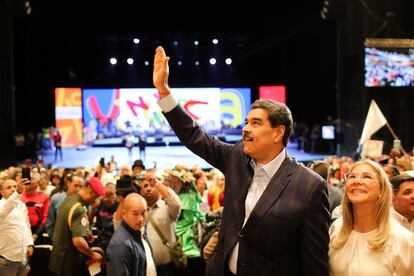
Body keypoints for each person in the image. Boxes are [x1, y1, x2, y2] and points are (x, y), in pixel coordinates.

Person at [153, 46, 330, 276]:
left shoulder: (310, 186)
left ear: (278, 133)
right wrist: (164, 92)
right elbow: (194, 136)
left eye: (255, 123)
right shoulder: (237, 157)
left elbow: (314, 264)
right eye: (246, 122)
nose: (245, 129)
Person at [329, 160, 414, 275]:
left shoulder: (403, 240)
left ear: (381, 190)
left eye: (367, 176)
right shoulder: (337, 227)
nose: (357, 181)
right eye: (352, 176)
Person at [48, 177, 105, 276]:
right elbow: (78, 241)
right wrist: (93, 254)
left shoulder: (68, 200)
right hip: (69, 265)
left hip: (57, 260)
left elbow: (67, 226)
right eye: (94, 198)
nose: (94, 202)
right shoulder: (79, 209)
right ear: (91, 192)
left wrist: (85, 232)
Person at [140, 172, 181, 276]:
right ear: (141, 191)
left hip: (167, 267)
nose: (149, 188)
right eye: (145, 186)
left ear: (158, 189)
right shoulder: (138, 212)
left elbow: (176, 203)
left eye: (152, 186)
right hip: (145, 267)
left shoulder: (167, 208)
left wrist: (157, 183)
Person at [106, 193, 155, 276]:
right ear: (124, 214)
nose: (140, 219)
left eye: (143, 213)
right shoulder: (119, 245)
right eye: (135, 214)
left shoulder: (140, 231)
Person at [0, 178, 34, 276]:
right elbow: (6, 209)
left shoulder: (21, 205)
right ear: (1, 192)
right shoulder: (1, 205)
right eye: (8, 187)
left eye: (15, 187)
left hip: (22, 257)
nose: (13, 189)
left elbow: (26, 225)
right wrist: (18, 192)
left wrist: (30, 243)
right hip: (6, 258)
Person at [46, 173, 83, 240]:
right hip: (59, 240)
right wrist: (55, 238)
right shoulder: (56, 199)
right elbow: (50, 223)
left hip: (78, 240)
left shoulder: (83, 201)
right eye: (76, 185)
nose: (78, 189)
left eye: (80, 186)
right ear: (68, 183)